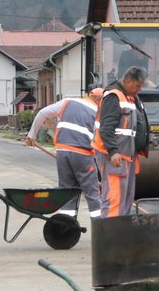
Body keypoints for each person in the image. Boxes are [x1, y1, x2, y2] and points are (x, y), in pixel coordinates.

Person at [25, 84, 107, 226]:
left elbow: (43, 113)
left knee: (67, 190)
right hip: (83, 154)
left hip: (63, 152)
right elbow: (100, 142)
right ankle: (101, 228)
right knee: (92, 194)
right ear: (100, 100)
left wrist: (32, 135)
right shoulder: (99, 112)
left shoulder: (68, 102)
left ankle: (66, 227)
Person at [97, 65, 151, 217]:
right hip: (115, 156)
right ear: (127, 81)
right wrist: (113, 152)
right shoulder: (113, 97)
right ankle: (108, 236)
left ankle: (120, 233)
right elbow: (106, 128)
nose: (139, 89)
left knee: (126, 199)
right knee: (114, 198)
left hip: (128, 155)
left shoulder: (131, 96)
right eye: (137, 85)